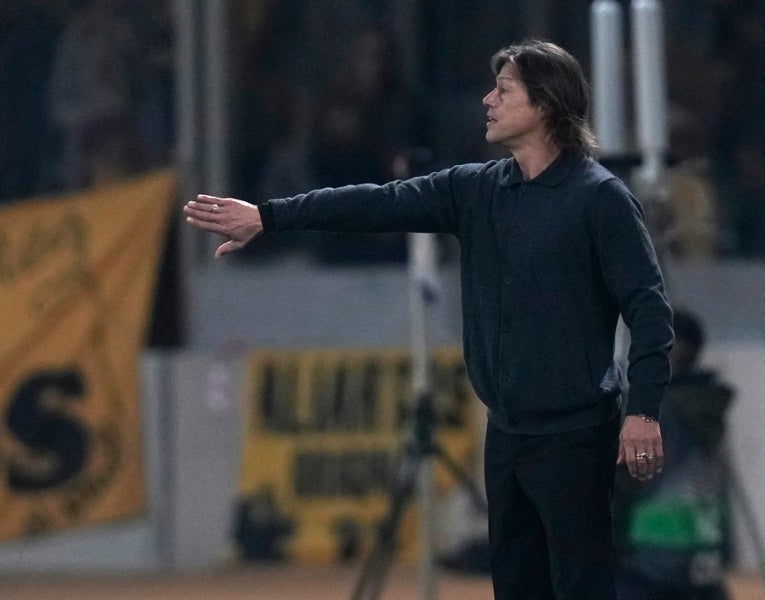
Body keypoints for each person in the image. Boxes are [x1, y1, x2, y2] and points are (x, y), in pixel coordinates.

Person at [185, 39, 673, 600]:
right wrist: (268, 217)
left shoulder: (601, 199)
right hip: (506, 433)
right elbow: (377, 203)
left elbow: (648, 308)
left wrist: (643, 410)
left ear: (544, 105)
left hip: (577, 437)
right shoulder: (477, 189)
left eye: (504, 89)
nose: (487, 100)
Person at [613, 309, 733, 600]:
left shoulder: (654, 411)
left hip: (648, 555)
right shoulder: (709, 405)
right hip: (702, 557)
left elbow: (626, 481)